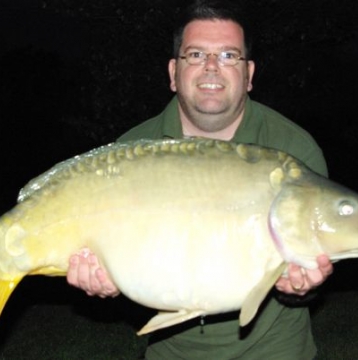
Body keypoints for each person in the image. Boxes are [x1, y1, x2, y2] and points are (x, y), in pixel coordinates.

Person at [67, 1, 333, 359]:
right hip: (172, 352)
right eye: (195, 54)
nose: (211, 67)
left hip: (274, 349)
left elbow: (310, 269)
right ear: (174, 72)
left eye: (228, 55)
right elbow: (119, 264)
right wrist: (103, 278)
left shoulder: (293, 148)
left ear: (249, 74)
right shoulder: (130, 151)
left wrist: (300, 286)